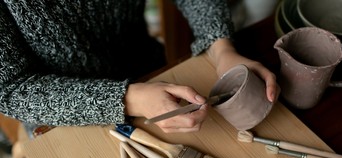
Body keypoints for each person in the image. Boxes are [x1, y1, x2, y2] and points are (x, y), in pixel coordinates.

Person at [0, 0, 279, 134]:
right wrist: (127, 99)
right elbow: (10, 90)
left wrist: (222, 47)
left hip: (146, 66)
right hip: (63, 113)